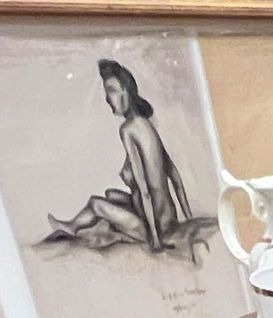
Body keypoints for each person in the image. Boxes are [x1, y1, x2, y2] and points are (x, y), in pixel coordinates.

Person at [46, 60, 193, 255]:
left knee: (96, 203)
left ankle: (73, 227)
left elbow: (144, 189)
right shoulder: (147, 126)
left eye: (111, 90)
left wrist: (155, 241)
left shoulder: (128, 130)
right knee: (111, 194)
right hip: (168, 217)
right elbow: (174, 175)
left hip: (153, 225)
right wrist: (189, 219)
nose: (108, 98)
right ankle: (75, 226)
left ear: (126, 91)